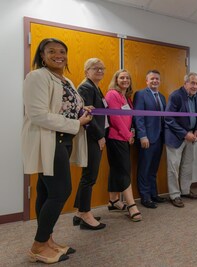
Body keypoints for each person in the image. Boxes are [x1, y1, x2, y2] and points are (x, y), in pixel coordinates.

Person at [22, 38, 92, 264]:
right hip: (49, 142)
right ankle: (38, 246)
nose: (58, 55)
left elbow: (67, 107)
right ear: (42, 55)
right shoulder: (36, 77)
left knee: (45, 191)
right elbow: (38, 115)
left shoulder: (66, 80)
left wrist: (83, 109)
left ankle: (48, 239)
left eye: (62, 51)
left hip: (62, 141)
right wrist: (77, 123)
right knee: (60, 192)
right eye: (51, 51)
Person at [73, 58, 107, 230]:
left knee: (88, 174)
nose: (100, 71)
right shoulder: (86, 87)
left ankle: (79, 212)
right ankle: (86, 214)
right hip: (92, 136)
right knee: (90, 176)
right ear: (86, 71)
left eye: (102, 68)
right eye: (96, 68)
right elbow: (87, 116)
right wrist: (100, 136)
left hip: (94, 136)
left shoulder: (94, 86)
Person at [105, 69, 142, 222]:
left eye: (127, 77)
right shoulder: (112, 94)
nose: (125, 80)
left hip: (124, 137)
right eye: (122, 77)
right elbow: (115, 117)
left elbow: (128, 118)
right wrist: (127, 135)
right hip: (116, 138)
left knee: (116, 168)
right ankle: (131, 205)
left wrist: (131, 133)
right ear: (116, 80)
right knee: (125, 169)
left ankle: (113, 200)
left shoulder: (127, 97)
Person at [165, 72, 197, 207]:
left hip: (191, 136)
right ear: (185, 83)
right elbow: (168, 118)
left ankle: (185, 190)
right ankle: (174, 195)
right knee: (173, 167)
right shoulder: (176, 96)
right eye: (192, 83)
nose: (195, 86)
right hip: (175, 136)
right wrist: (185, 133)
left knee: (187, 165)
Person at [133, 70, 167, 209]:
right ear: (147, 81)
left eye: (157, 79)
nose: (155, 81)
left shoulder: (162, 97)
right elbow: (138, 117)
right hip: (147, 138)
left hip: (159, 138)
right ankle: (145, 197)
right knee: (144, 168)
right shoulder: (141, 94)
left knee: (154, 168)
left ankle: (154, 193)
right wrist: (143, 136)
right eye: (152, 79)